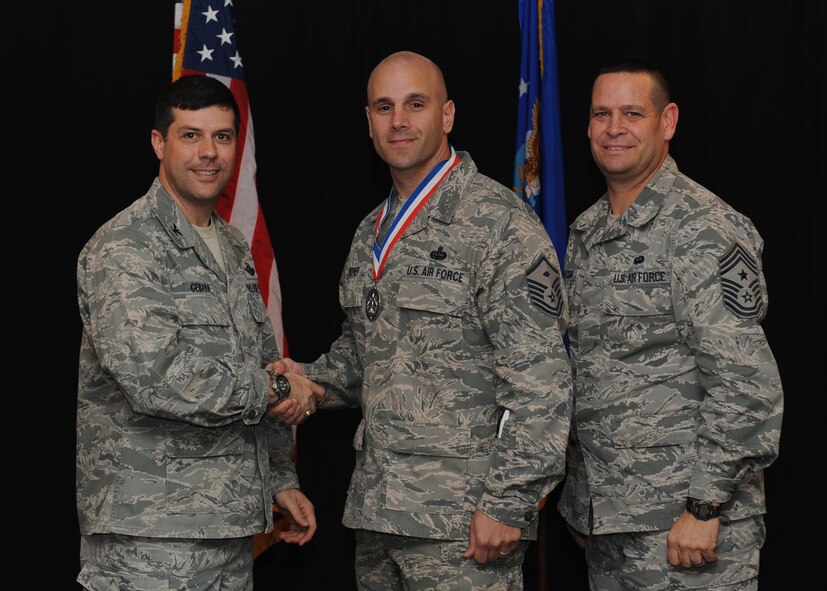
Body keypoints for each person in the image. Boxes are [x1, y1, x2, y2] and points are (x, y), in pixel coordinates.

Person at [268, 50, 573, 589]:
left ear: (447, 115)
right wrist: (311, 381)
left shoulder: (500, 225)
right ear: (368, 122)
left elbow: (542, 381)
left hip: (464, 527)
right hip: (378, 515)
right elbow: (365, 357)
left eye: (416, 104)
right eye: (384, 107)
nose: (399, 121)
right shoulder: (370, 232)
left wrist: (508, 503)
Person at [75, 74, 323, 590]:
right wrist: (278, 388)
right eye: (191, 135)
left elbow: (262, 361)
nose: (209, 152)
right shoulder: (126, 246)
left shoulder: (232, 246)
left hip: (228, 528)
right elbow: (156, 378)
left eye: (222, 136)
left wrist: (279, 479)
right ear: (158, 143)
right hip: (149, 538)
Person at [557, 57, 784, 590]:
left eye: (632, 113)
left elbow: (746, 385)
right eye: (601, 114)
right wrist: (583, 501)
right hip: (610, 524)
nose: (614, 128)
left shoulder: (703, 228)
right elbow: (589, 374)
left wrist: (705, 505)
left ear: (668, 121)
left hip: (688, 528)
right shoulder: (587, 232)